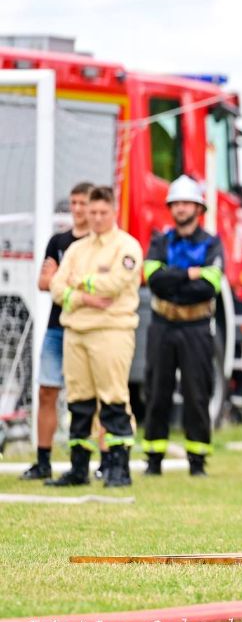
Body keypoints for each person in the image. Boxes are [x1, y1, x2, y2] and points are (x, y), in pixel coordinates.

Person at [44, 186, 143, 488]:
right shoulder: (77, 249)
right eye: (93, 212)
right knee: (79, 402)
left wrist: (81, 282)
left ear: (114, 212)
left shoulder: (126, 247)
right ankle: (78, 468)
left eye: (103, 212)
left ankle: (118, 467)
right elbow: (57, 287)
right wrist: (85, 297)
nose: (97, 218)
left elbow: (115, 283)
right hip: (76, 331)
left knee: (113, 400)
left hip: (111, 331)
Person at [141, 176, 225, 477]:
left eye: (186, 203)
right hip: (162, 324)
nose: (180, 209)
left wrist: (174, 277)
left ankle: (197, 460)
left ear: (198, 207)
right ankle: (153, 459)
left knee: (197, 391)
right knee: (156, 390)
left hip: (196, 326)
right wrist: (188, 275)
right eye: (176, 203)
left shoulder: (211, 243)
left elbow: (209, 286)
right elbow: (154, 280)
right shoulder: (160, 241)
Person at [20, 182, 93, 481]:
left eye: (83, 203)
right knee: (47, 391)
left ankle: (96, 460)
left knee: (90, 398)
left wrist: (62, 281)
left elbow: (93, 285)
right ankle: (43, 460)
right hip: (56, 327)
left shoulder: (99, 245)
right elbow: (43, 282)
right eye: (73, 203)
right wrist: (67, 282)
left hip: (88, 328)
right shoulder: (58, 241)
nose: (77, 209)